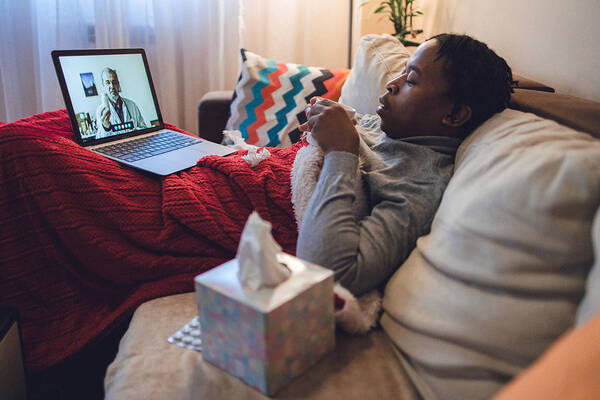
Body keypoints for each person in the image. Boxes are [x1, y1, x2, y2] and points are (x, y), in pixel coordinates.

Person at [296, 33, 513, 295]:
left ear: (454, 115)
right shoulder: (394, 129)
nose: (391, 84)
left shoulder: (418, 184)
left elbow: (331, 273)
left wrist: (340, 152)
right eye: (401, 72)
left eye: (411, 80)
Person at [95, 67, 147, 138]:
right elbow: (99, 139)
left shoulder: (132, 105)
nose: (112, 86)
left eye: (114, 82)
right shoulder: (100, 111)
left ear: (118, 84)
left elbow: (144, 128)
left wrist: (134, 132)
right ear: (103, 86)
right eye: (107, 83)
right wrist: (106, 127)